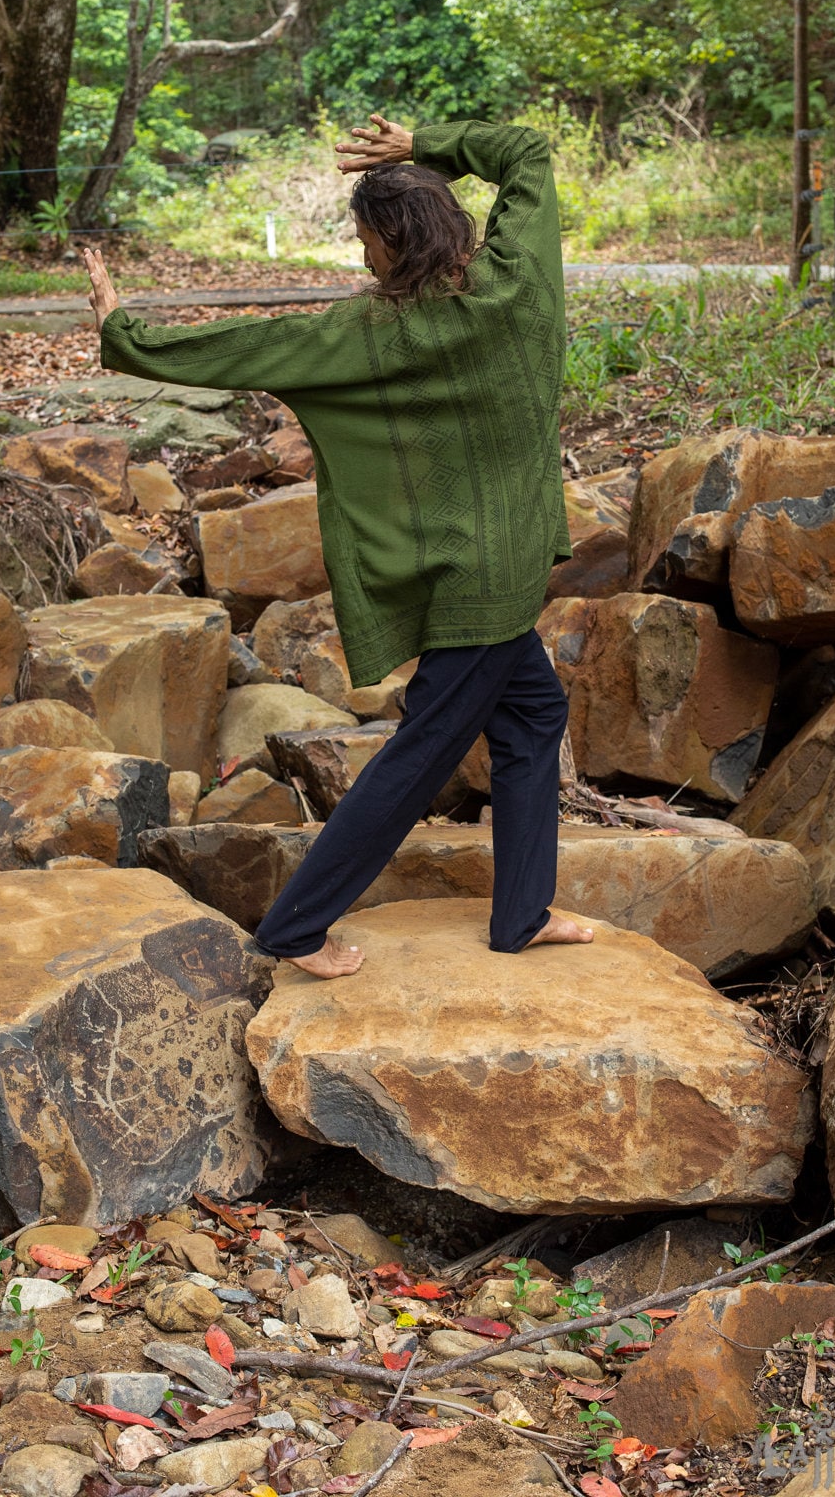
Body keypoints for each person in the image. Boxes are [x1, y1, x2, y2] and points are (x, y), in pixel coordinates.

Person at [83, 113, 594, 977]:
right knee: (511, 723)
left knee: (478, 733)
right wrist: (419, 144)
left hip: (466, 582)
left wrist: (124, 331)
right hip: (505, 571)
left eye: (366, 243)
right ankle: (498, 916)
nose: (363, 261)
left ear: (394, 245)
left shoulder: (368, 333)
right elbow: (528, 151)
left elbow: (245, 346)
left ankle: (306, 926)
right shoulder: (520, 277)